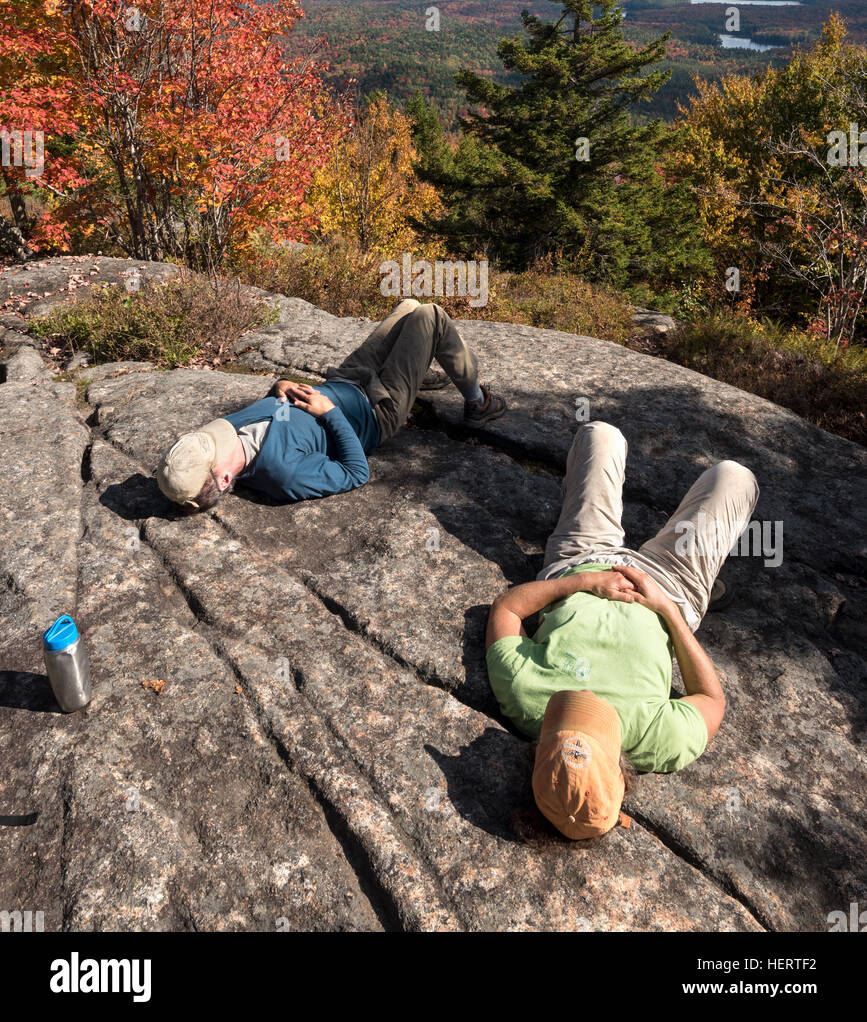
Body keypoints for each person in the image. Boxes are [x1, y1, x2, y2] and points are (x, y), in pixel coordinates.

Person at [485, 420, 759, 842]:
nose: (586, 700)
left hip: (582, 558)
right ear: (620, 769)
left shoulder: (525, 700)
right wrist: (667, 610)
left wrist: (581, 583)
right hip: (671, 584)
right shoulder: (655, 741)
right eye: (594, 718)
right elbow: (711, 700)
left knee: (601, 434)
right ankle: (698, 576)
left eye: (568, 715)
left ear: (538, 753)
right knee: (735, 477)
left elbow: (507, 608)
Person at [156, 298, 506, 511]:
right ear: (224, 479)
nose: (221, 433)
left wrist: (279, 387)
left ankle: (416, 369)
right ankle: (479, 403)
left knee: (409, 308)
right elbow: (356, 473)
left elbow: (275, 416)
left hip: (347, 379)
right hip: (375, 410)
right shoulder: (283, 473)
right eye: (214, 446)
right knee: (430, 316)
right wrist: (331, 414)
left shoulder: (229, 436)